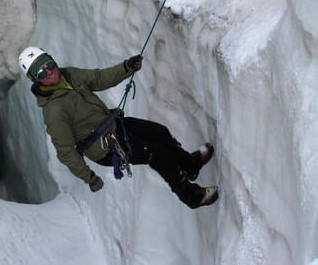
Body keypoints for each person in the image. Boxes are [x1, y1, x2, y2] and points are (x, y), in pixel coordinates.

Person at [18, 46, 219, 209]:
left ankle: (190, 165)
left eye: (50, 65)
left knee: (160, 133)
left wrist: (126, 67)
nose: (50, 72)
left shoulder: (69, 75)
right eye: (42, 72)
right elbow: (65, 152)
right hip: (105, 148)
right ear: (35, 78)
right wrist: (89, 177)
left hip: (113, 125)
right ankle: (191, 196)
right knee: (155, 154)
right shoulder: (54, 110)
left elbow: (99, 78)